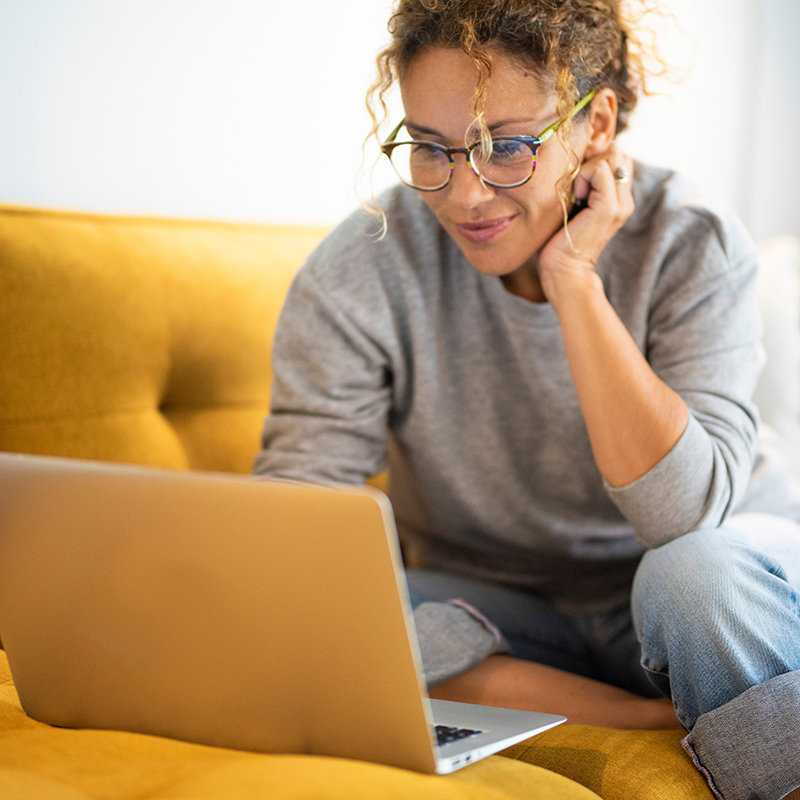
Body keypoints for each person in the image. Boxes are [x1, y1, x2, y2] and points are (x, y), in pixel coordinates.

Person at [253, 1, 800, 797]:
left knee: (692, 579)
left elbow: (683, 519)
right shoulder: (360, 270)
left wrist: (573, 282)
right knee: (315, 612)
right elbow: (299, 520)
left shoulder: (692, 244)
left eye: (507, 146)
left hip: (701, 579)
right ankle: (643, 708)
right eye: (431, 150)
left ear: (597, 124)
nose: (466, 194)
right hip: (503, 616)